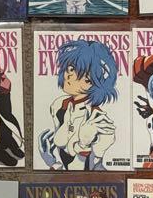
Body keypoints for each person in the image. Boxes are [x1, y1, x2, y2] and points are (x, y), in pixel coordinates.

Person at [39, 38, 119, 170]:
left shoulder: (98, 120)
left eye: (77, 72)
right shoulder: (58, 105)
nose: (68, 75)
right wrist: (51, 161)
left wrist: (83, 144)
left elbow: (89, 168)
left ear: (91, 81)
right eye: (69, 69)